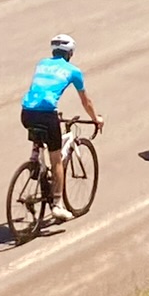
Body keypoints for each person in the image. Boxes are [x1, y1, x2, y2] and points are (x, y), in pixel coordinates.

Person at [20, 34, 102, 223]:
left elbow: (38, 89)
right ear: (70, 53)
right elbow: (86, 102)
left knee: (39, 132)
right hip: (47, 114)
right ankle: (57, 205)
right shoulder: (74, 71)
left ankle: (35, 158)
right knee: (56, 159)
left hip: (26, 113)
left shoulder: (41, 64)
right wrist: (95, 119)